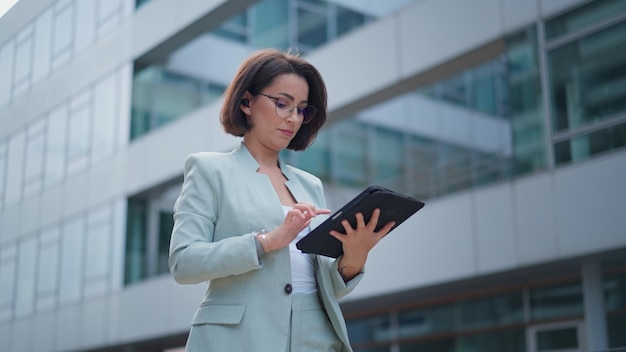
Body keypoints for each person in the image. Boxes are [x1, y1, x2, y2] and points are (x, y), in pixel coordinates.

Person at [168, 48, 395, 352]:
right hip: (240, 339)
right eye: (282, 104)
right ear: (246, 102)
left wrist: (353, 259)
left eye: (301, 109)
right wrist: (265, 242)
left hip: (315, 336)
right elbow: (184, 262)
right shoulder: (210, 170)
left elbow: (319, 285)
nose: (293, 118)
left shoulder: (309, 185)